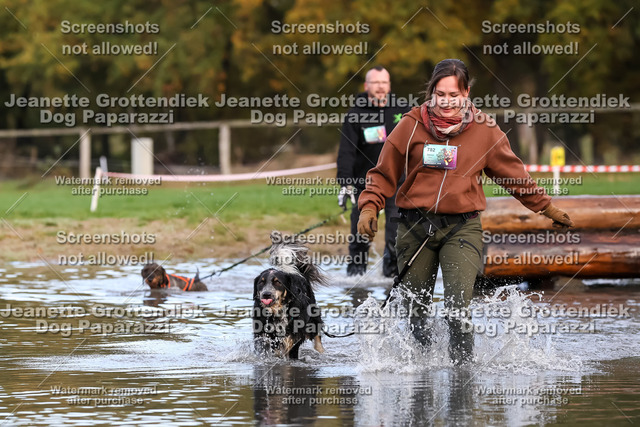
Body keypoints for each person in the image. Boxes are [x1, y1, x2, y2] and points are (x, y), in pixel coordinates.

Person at [356, 59, 573, 364]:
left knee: (457, 310)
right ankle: (422, 372)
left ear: (466, 93)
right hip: (415, 228)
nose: (446, 102)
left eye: (453, 95)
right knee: (415, 312)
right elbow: (382, 173)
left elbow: (514, 175)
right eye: (440, 94)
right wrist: (369, 206)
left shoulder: (485, 129)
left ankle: (463, 374)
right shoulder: (410, 124)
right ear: (431, 92)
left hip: (462, 228)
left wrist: (546, 207)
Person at [337, 66, 410, 277]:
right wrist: (345, 184)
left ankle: (391, 278)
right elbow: (346, 152)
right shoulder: (355, 114)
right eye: (376, 82)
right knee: (361, 234)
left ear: (389, 85)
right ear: (366, 85)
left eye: (384, 82)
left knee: (396, 236)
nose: (380, 87)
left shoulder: (403, 110)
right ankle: (355, 278)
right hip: (365, 185)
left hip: (398, 183)